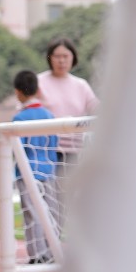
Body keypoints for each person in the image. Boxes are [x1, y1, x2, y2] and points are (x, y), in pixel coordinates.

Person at [37, 37, 99, 224]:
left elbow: (95, 107)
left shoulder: (80, 85)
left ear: (73, 58)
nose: (61, 60)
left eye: (66, 56)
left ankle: (57, 242)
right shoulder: (39, 82)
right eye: (57, 56)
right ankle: (44, 246)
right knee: (45, 199)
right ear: (50, 58)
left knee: (65, 200)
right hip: (45, 151)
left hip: (71, 151)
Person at [12, 71, 58, 264]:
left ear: (17, 92)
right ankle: (51, 251)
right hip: (48, 169)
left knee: (31, 214)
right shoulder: (49, 115)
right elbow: (54, 143)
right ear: (38, 90)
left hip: (27, 171)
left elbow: (17, 149)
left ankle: (36, 254)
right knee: (50, 213)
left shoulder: (19, 119)